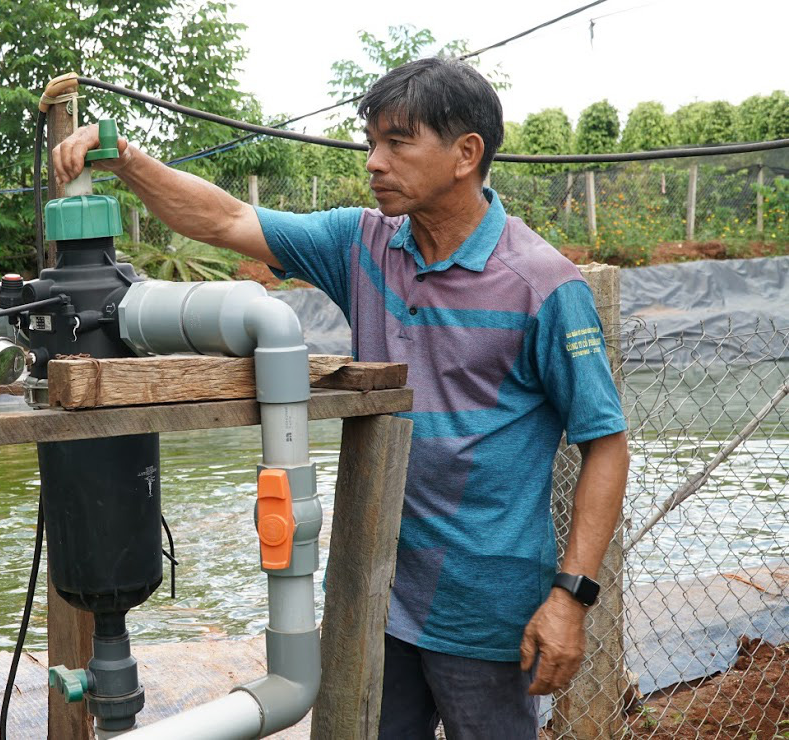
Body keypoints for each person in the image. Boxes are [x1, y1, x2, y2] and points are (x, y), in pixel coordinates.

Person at [52, 56, 630, 738]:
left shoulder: (542, 287)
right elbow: (227, 219)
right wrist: (132, 164)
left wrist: (571, 596)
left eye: (397, 141)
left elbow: (605, 443)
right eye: (371, 143)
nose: (374, 163)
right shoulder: (364, 245)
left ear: (466, 154)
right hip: (375, 592)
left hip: (485, 609)